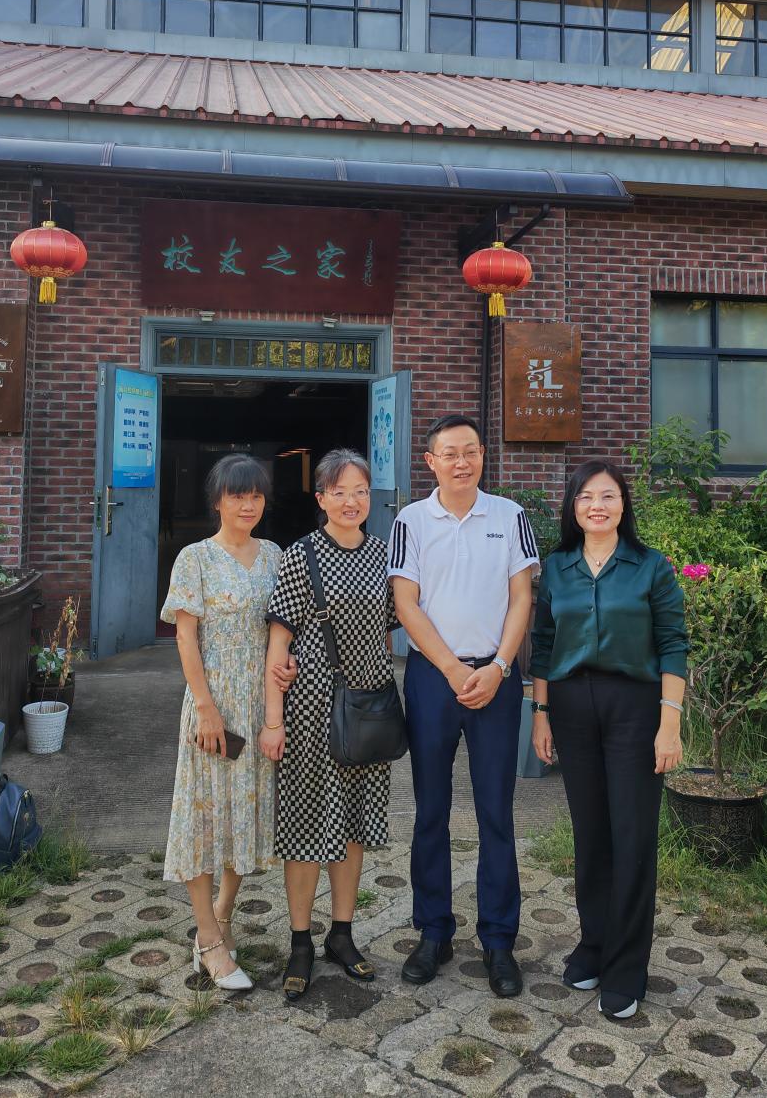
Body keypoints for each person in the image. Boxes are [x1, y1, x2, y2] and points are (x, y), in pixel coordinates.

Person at [530, 459, 688, 1021]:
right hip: (572, 706)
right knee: (591, 834)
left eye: (608, 496)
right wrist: (541, 714)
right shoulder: (557, 567)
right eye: (586, 497)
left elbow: (673, 644)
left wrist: (669, 723)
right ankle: (593, 945)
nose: (597, 506)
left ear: (624, 505)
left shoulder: (651, 567)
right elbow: (543, 644)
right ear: (572, 507)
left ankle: (626, 968)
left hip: (635, 709)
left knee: (632, 836)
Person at [389, 415, 539, 998]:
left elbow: (522, 597)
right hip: (434, 678)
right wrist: (453, 669)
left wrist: (498, 668)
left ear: (482, 456)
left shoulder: (509, 515)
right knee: (431, 809)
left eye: (471, 451)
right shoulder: (410, 521)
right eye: (449, 453)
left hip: (497, 678)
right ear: (431, 461)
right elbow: (405, 603)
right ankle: (434, 932)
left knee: (495, 812)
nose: (462, 462)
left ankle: (499, 940)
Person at [261, 448, 398, 1002]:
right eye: (339, 492)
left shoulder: (383, 554)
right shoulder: (302, 555)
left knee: (354, 824)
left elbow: (387, 629)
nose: (351, 501)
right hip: (311, 707)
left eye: (360, 491)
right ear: (320, 498)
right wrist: (274, 721)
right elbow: (279, 642)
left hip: (367, 706)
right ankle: (300, 942)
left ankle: (342, 934)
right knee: (305, 825)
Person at [160, 453, 290, 991]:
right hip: (212, 707)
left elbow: (284, 630)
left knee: (246, 816)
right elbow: (185, 636)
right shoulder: (194, 558)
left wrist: (288, 665)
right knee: (202, 818)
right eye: (237, 496)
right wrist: (206, 707)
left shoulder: (275, 556)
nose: (248, 505)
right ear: (217, 501)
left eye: (256, 495)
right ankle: (209, 939)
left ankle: (223, 915)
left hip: (259, 708)